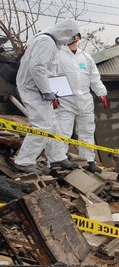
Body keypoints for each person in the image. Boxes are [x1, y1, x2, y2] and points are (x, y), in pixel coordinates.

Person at [13, 19, 80, 173]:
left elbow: (46, 69)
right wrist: (45, 91)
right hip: (33, 88)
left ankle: (57, 157)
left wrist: (49, 90)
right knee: (42, 125)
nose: (71, 41)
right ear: (65, 32)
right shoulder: (46, 41)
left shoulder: (48, 41)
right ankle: (23, 161)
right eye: (71, 36)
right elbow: (37, 68)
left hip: (39, 88)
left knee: (52, 123)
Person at [56, 32, 108, 173]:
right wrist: (54, 95)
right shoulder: (58, 55)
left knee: (87, 130)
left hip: (85, 99)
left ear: (78, 37)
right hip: (65, 99)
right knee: (63, 129)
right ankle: (59, 158)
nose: (70, 38)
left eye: (73, 35)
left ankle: (89, 160)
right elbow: (51, 74)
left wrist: (101, 92)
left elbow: (94, 77)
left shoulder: (86, 57)